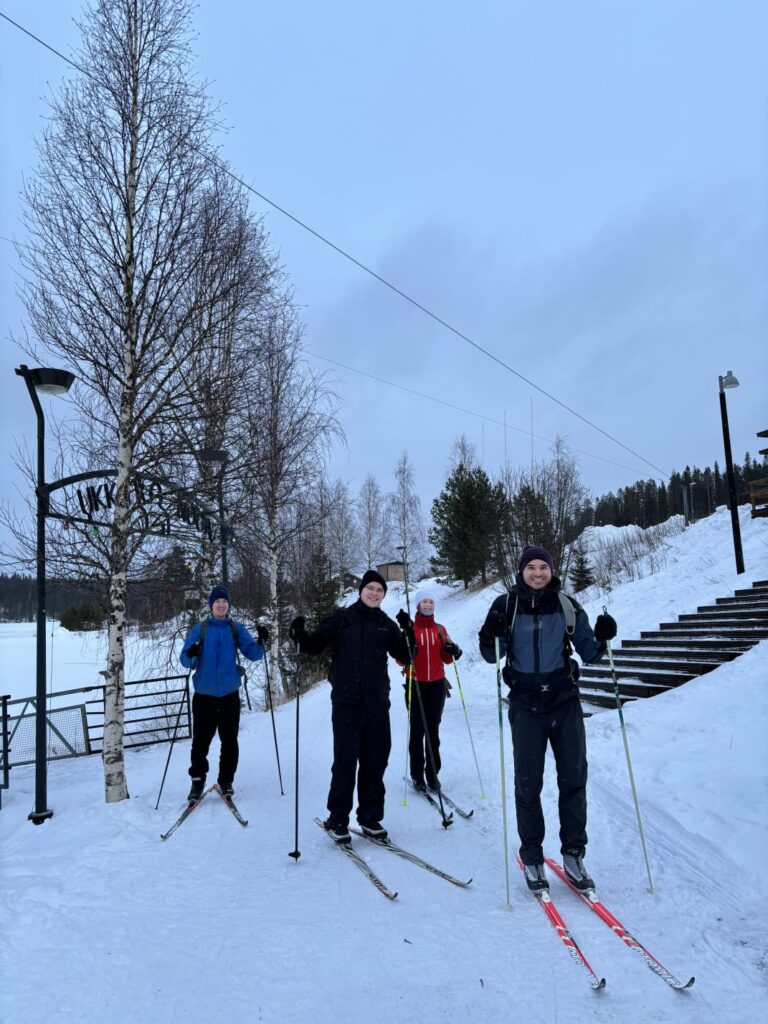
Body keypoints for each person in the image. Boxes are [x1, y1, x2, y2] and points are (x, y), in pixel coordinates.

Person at [478, 545, 616, 893]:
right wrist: (489, 634)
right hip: (525, 704)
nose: (538, 573)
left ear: (551, 571)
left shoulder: (567, 605)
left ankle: (573, 853)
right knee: (528, 783)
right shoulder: (505, 606)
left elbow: (589, 653)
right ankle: (533, 857)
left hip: (563, 701)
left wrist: (602, 636)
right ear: (521, 571)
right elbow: (490, 654)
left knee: (573, 778)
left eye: (544, 567)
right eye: (531, 568)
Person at [289, 569, 414, 843]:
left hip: (377, 703)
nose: (374, 593)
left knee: (375, 761)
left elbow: (407, 656)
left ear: (383, 595)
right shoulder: (342, 618)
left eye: (379, 590)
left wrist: (409, 631)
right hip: (346, 703)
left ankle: (370, 818)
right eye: (370, 588)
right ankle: (338, 820)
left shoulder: (386, 624)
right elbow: (314, 645)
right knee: (345, 762)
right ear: (361, 591)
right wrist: (300, 634)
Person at [181, 584, 267, 801]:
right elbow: (186, 661)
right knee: (200, 743)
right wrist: (192, 653)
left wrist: (262, 641)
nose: (221, 605)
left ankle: (226, 781)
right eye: (217, 601)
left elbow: (254, 655)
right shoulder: (199, 630)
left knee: (230, 742)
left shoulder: (235, 629)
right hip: (204, 696)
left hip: (229, 695)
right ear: (211, 605)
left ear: (228, 605)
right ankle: (197, 782)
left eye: (225, 601)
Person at [403, 589, 462, 793]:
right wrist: (408, 648)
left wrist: (452, 650)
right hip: (415, 683)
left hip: (437, 685)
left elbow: (447, 658)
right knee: (418, 729)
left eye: (431, 602)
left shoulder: (439, 629)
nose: (428, 605)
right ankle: (417, 775)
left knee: (433, 730)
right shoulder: (410, 629)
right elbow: (400, 658)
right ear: (418, 605)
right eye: (424, 602)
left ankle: (433, 774)